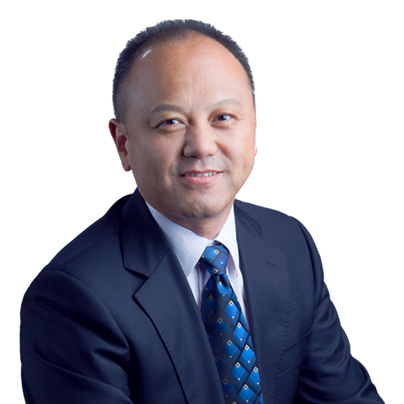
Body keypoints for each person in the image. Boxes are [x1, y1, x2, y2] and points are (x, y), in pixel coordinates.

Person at [20, 20, 383, 404]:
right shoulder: (71, 297)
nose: (202, 146)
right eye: (171, 122)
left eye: (223, 117)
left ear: (254, 131)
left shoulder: (290, 245)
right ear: (124, 144)